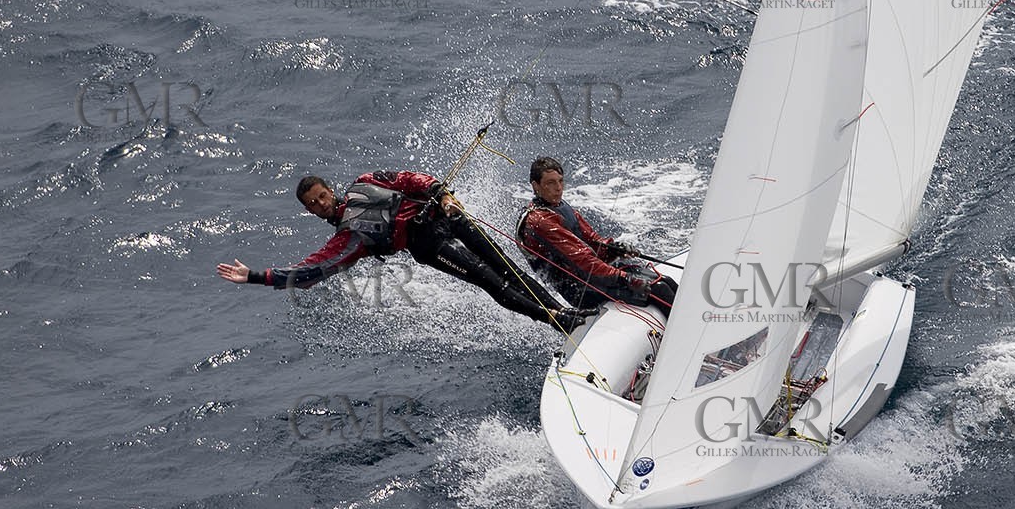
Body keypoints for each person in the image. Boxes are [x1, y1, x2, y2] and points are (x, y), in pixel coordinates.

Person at [217, 170, 586, 332]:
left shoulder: (365, 182)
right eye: (314, 205)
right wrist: (254, 276)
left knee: (507, 266)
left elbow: (410, 179)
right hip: (429, 245)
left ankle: (568, 313)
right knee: (493, 283)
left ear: (331, 190)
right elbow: (310, 272)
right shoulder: (348, 240)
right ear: (310, 211)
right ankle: (558, 322)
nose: (321, 204)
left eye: (322, 196)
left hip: (447, 216)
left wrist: (440, 193)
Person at [516, 157, 677, 313]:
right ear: (536, 186)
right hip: (580, 289)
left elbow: (593, 241)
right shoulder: (539, 221)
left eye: (560, 181)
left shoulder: (559, 206)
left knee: (667, 282)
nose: (559, 188)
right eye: (551, 183)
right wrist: (625, 279)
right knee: (660, 290)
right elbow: (584, 262)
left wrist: (613, 249)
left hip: (594, 276)